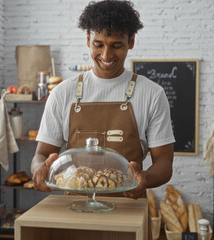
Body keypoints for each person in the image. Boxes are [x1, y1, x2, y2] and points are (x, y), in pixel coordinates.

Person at [31, 0, 175, 199]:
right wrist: (39, 168)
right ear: (88, 39)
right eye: (98, 44)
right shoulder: (62, 93)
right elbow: (42, 154)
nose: (106, 55)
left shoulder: (152, 94)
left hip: (128, 213)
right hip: (73, 212)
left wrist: (144, 179)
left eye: (116, 45)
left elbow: (165, 162)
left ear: (131, 41)